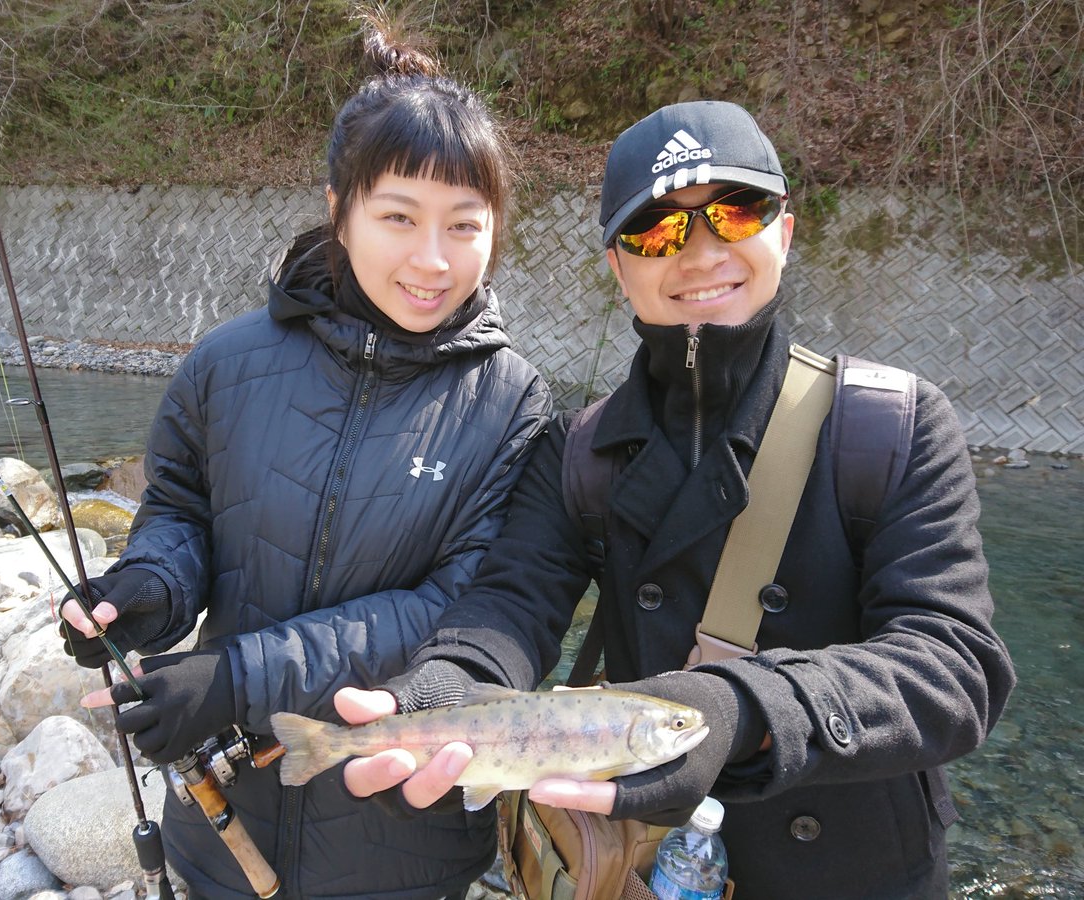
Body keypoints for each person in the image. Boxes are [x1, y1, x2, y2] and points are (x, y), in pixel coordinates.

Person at [337, 100, 1016, 899]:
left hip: (861, 871)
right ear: (619, 269)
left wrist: (743, 708)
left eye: (733, 214)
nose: (697, 254)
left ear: (784, 235)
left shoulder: (890, 425)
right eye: (655, 230)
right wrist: (447, 681)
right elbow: (512, 603)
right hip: (649, 866)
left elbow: (955, 668)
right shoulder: (577, 450)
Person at [58, 17, 552, 900]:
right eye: (398, 216)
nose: (433, 260)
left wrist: (237, 678)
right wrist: (144, 592)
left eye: (464, 226)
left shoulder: (512, 401)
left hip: (402, 837)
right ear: (339, 209)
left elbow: (462, 607)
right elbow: (182, 511)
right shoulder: (226, 361)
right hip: (224, 821)